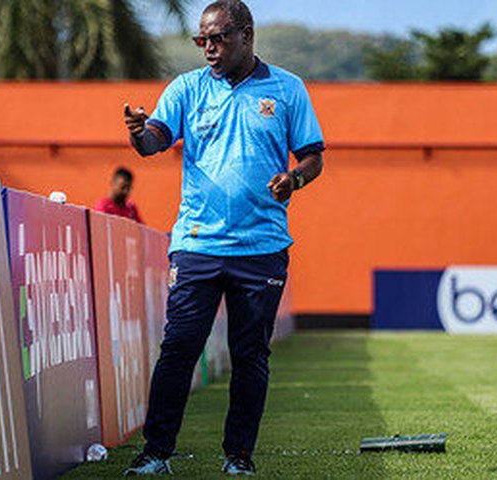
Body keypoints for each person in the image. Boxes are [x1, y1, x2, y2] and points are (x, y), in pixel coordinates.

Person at [122, 0, 324, 475]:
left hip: (262, 248)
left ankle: (238, 457)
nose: (208, 49)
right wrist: (137, 134)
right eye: (202, 41)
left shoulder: (288, 89)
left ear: (247, 35)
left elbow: (313, 156)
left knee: (250, 356)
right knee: (178, 348)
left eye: (218, 39)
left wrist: (293, 180)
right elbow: (154, 141)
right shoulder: (187, 88)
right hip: (197, 245)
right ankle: (156, 454)